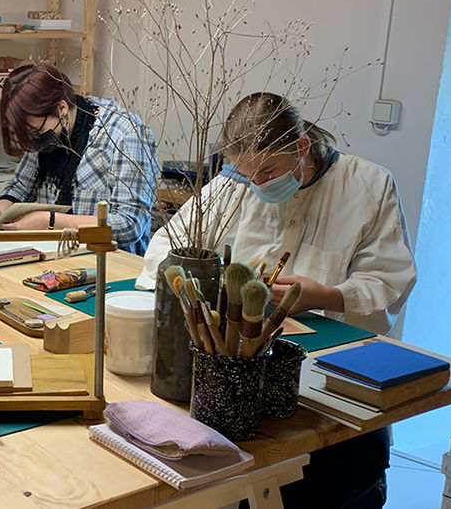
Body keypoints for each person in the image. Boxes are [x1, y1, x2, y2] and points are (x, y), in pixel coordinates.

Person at [138, 92, 417, 508]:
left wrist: (332, 296)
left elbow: (389, 280)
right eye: (248, 173)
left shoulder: (369, 186)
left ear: (301, 146)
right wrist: (212, 292)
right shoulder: (236, 184)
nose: (259, 184)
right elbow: (166, 249)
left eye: (268, 170)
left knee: (336, 482)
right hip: (236, 374)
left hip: (330, 382)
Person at [0, 62, 158, 255]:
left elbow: (129, 224)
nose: (34, 140)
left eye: (35, 132)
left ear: (61, 108)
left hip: (110, 264)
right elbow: (21, 187)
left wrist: (50, 221)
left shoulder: (125, 135)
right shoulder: (48, 130)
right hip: (51, 255)